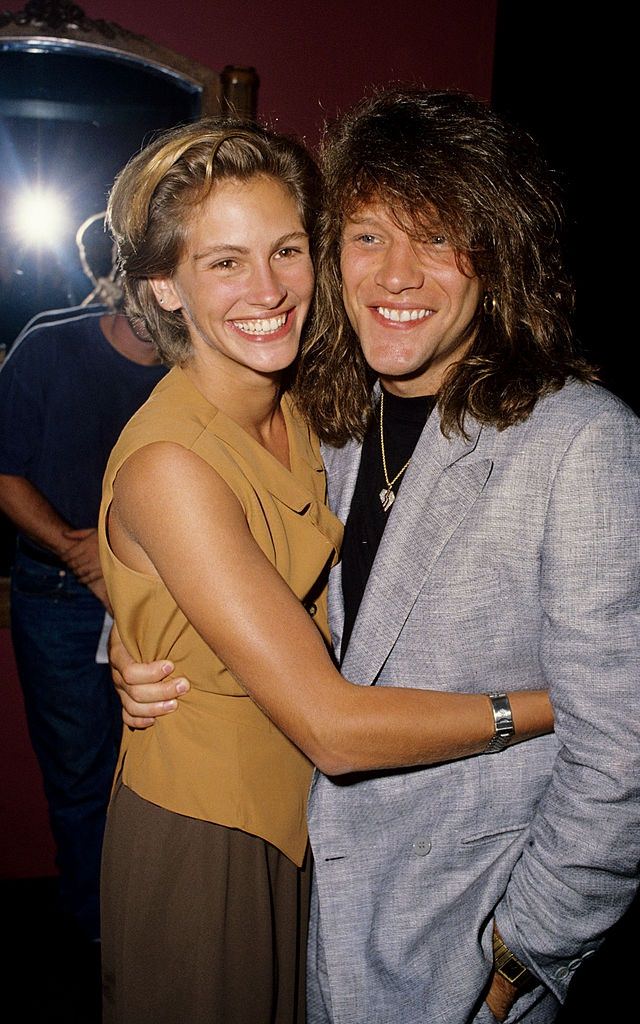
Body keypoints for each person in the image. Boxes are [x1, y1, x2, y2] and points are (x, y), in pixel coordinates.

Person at [112, 90, 640, 1024]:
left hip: (459, 936)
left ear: (499, 255)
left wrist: (527, 952)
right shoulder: (339, 413)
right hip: (309, 889)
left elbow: (622, 760)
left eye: (437, 239)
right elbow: (218, 540)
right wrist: (133, 635)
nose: (397, 275)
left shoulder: (579, 441)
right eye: (367, 237)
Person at [0, 301, 167, 943]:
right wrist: (80, 553)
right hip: (58, 596)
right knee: (78, 777)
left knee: (159, 771)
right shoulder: (47, 348)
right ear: (125, 271)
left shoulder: (200, 364)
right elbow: (5, 470)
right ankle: (99, 938)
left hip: (165, 598)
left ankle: (151, 930)